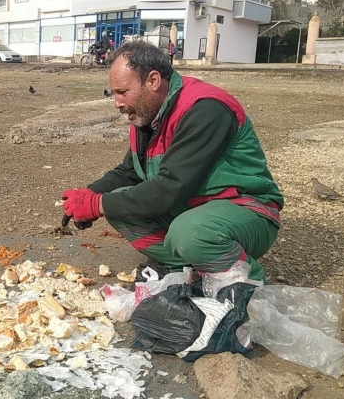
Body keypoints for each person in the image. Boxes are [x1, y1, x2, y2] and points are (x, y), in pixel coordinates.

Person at [60, 41, 283, 282]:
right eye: (114, 93)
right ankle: (192, 269)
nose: (117, 103)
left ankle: (247, 283)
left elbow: (169, 187)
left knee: (188, 234)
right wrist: (88, 195)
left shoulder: (204, 109)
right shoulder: (148, 116)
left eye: (123, 92)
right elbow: (129, 173)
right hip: (194, 209)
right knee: (120, 206)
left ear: (153, 81)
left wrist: (98, 204)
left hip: (246, 211)